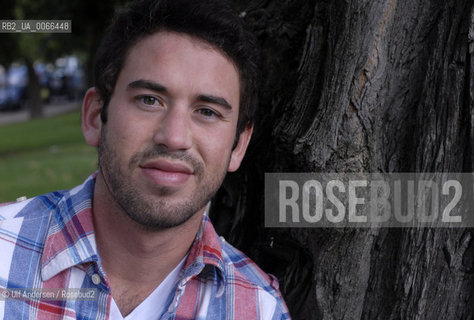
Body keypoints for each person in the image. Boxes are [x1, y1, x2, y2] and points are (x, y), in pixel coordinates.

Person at [0, 0, 290, 319]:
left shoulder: (259, 310)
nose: (175, 138)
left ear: (238, 146)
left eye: (207, 112)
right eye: (149, 100)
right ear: (96, 116)